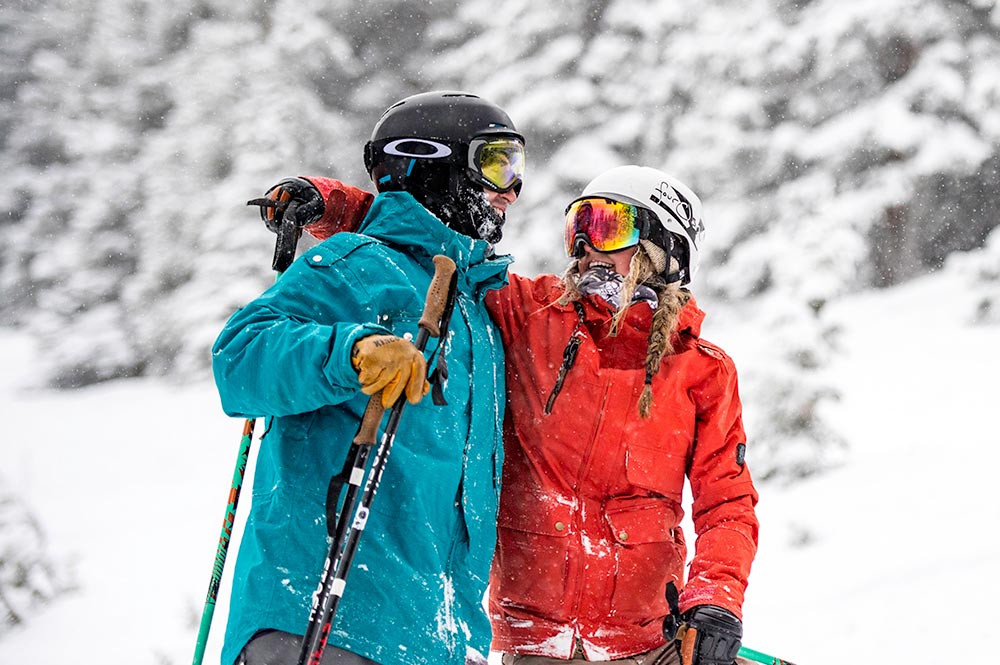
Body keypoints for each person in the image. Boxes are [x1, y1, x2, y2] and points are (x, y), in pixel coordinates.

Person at [263, 165, 759, 665]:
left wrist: (716, 600)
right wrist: (335, 206)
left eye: (607, 226)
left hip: (646, 642)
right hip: (534, 642)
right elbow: (432, 245)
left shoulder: (702, 372)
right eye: (576, 227)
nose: (584, 244)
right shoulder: (530, 315)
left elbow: (728, 503)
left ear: (664, 249)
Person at [211, 90, 526, 665]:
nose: (511, 188)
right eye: (495, 162)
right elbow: (240, 357)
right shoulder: (358, 265)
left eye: (516, 165)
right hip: (326, 620)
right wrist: (351, 352)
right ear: (434, 163)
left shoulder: (479, 309)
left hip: (437, 635)